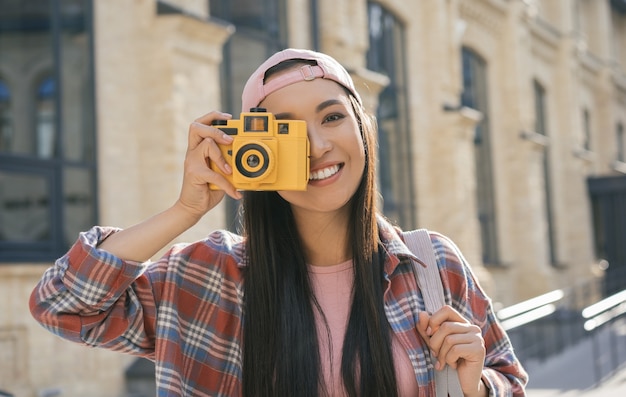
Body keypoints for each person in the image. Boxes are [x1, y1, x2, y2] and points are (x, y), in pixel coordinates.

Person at [30, 48, 528, 397]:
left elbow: (509, 380)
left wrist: (480, 387)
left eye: (332, 118)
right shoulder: (208, 275)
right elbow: (60, 304)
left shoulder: (431, 263)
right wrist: (184, 211)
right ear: (254, 153)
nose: (317, 146)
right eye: (286, 131)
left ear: (363, 130)